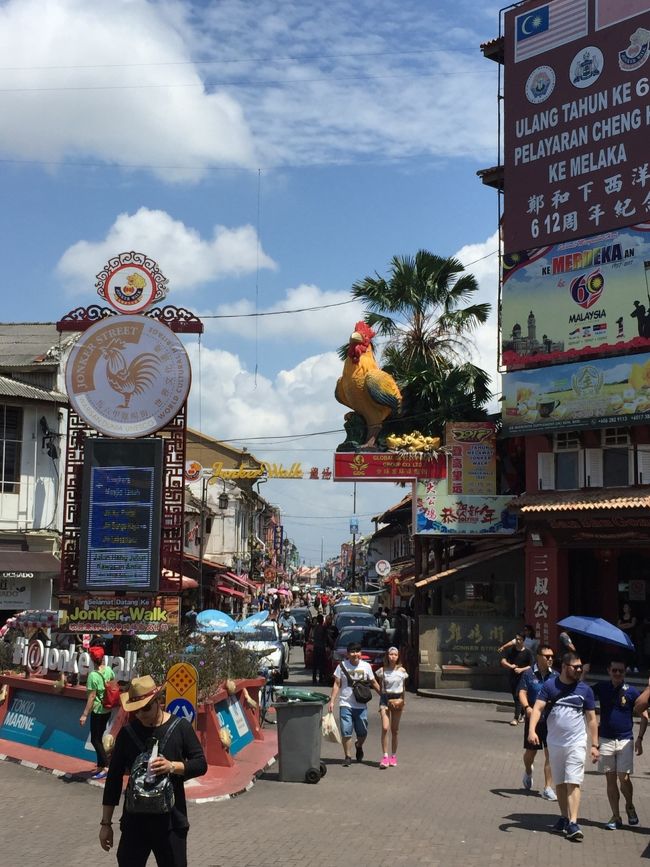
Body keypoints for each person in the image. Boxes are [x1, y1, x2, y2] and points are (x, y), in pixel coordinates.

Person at [99, 675, 207, 866]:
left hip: (171, 823)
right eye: (136, 710)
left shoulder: (180, 727)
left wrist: (172, 766)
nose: (141, 715)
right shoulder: (127, 733)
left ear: (158, 701)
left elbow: (200, 764)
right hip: (135, 823)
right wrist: (106, 824)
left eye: (146, 708)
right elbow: (113, 781)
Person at [528, 652, 598, 841]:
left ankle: (574, 822)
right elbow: (538, 708)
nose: (579, 670)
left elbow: (591, 719)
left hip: (576, 743)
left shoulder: (585, 690)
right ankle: (564, 817)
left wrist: (595, 744)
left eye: (580, 667)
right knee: (559, 782)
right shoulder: (550, 686)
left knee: (573, 781)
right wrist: (532, 731)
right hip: (554, 743)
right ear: (565, 666)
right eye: (575, 667)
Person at [592, 659, 644, 829]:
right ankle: (616, 816)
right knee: (610, 780)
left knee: (624, 777)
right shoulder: (601, 687)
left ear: (625, 672)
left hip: (625, 740)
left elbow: (644, 715)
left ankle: (629, 805)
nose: (617, 673)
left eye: (620, 671)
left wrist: (640, 739)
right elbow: (583, 693)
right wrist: (583, 672)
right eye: (614, 670)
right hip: (606, 739)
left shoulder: (632, 692)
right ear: (608, 670)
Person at [328, 641, 380, 766]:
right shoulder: (341, 666)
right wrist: (332, 701)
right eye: (352, 651)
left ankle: (358, 745)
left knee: (362, 732)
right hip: (345, 703)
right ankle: (348, 756)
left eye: (357, 651)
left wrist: (383, 696)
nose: (355, 654)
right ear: (348, 654)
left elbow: (373, 682)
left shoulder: (366, 666)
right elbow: (337, 684)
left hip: (361, 704)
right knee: (346, 731)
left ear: (360, 653)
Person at [517, 644, 557, 800]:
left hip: (551, 720)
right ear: (539, 657)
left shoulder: (556, 676)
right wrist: (527, 707)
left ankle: (548, 787)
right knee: (531, 752)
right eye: (547, 656)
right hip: (533, 719)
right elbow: (522, 692)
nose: (550, 659)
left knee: (550, 754)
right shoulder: (528, 674)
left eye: (552, 656)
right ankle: (528, 770)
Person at [80, 645, 115, 780]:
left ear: (92, 659)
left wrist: (84, 714)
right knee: (99, 737)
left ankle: (105, 766)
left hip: (98, 710)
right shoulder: (109, 670)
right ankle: (100, 765)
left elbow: (92, 697)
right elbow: (113, 685)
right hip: (108, 709)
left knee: (95, 739)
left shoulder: (93, 676)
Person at [376, 646, 408, 769]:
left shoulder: (402, 671)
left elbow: (404, 688)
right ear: (387, 656)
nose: (393, 656)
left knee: (395, 730)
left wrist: (403, 702)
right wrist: (383, 697)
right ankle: (385, 756)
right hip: (385, 700)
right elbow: (380, 686)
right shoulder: (382, 671)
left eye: (395, 654)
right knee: (385, 728)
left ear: (398, 656)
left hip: (398, 699)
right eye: (391, 654)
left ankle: (393, 756)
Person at [500, 631, 534, 725]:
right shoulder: (511, 650)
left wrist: (521, 669)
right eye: (517, 639)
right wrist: (510, 666)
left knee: (518, 696)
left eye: (520, 639)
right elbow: (503, 661)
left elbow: (531, 666)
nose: (518, 641)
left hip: (524, 677)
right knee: (516, 697)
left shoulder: (528, 652)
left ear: (523, 640)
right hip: (513, 677)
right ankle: (522, 714)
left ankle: (515, 718)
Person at [618, 603, 639, 673]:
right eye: (624, 607)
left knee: (632, 651)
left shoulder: (633, 617)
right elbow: (618, 625)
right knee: (624, 652)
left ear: (629, 609)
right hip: (623, 636)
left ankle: (635, 666)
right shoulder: (621, 617)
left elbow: (632, 624)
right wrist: (627, 624)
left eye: (626, 607)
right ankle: (627, 666)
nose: (624, 608)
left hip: (632, 636)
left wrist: (624, 625)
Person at [311, 613, 329, 685]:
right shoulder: (323, 628)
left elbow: (313, 637)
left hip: (316, 647)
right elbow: (325, 638)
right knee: (321, 664)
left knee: (315, 664)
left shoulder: (315, 628)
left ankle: (315, 678)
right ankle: (320, 678)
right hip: (321, 647)